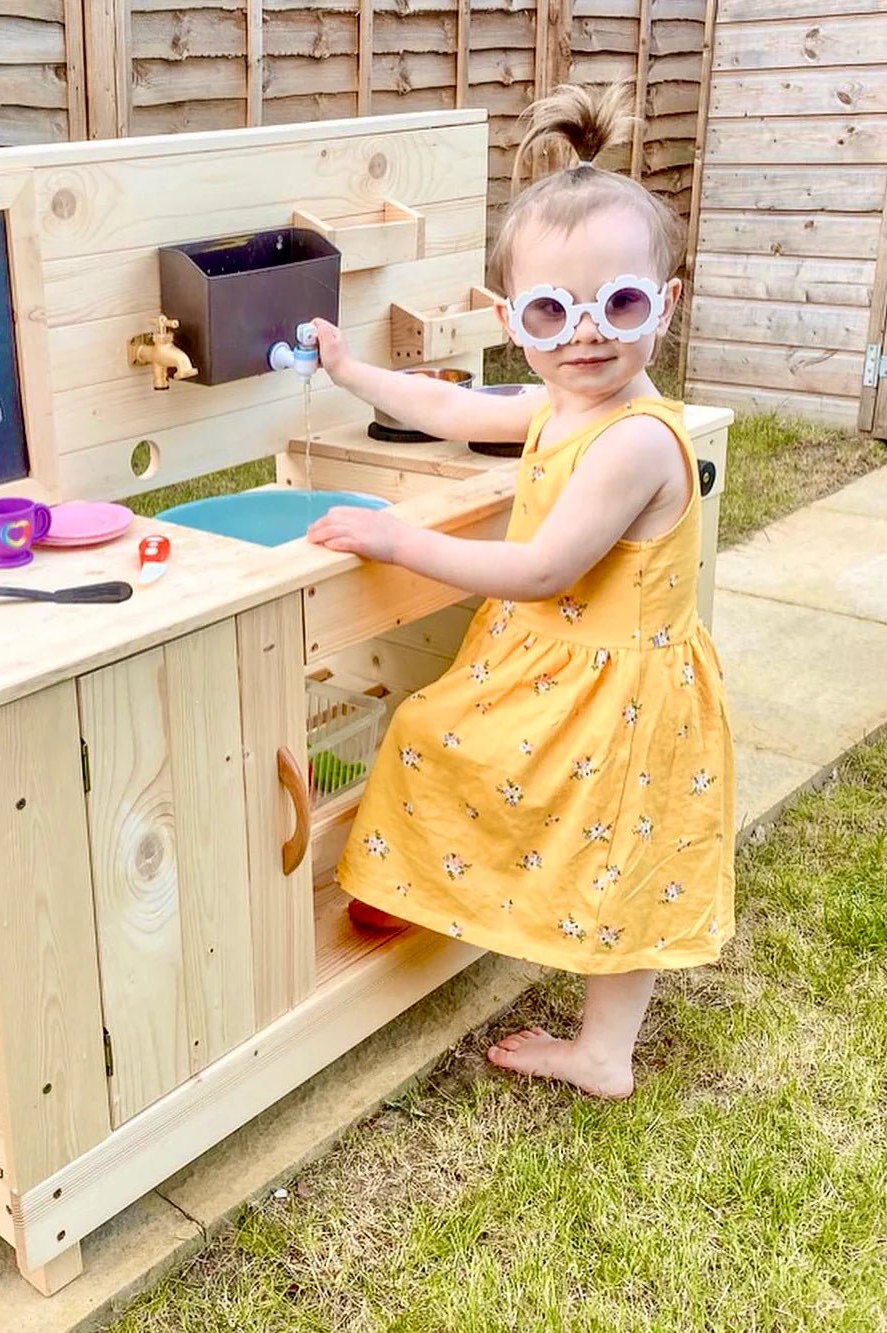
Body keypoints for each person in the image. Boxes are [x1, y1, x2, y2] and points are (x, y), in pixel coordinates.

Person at [306, 82, 735, 1100]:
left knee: (616, 857)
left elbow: (541, 570)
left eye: (617, 305)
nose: (585, 335)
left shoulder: (631, 437)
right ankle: (446, 896)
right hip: (564, 671)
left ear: (662, 304)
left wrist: (398, 536)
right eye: (553, 311)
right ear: (512, 321)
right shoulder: (560, 401)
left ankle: (601, 1051)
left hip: (617, 696)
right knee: (439, 737)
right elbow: (449, 408)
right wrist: (349, 369)